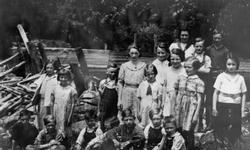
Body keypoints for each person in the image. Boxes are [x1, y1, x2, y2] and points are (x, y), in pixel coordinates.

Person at [212, 56, 247, 145]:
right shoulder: (221, 76)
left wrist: (242, 110)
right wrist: (214, 107)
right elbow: (215, 93)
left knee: (235, 125)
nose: (231, 67)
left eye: (233, 64)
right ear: (225, 65)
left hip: (235, 105)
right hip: (222, 104)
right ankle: (222, 143)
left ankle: (233, 143)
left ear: (237, 65)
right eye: (229, 64)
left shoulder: (240, 78)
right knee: (221, 124)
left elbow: (243, 94)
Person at [174, 57, 205, 149]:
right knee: (179, 129)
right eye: (185, 67)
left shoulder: (199, 82)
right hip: (180, 107)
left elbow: (200, 99)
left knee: (189, 131)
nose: (187, 69)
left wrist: (196, 115)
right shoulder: (181, 78)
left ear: (196, 68)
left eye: (189, 67)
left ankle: (189, 147)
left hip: (191, 108)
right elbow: (176, 92)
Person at [51, 68, 78, 148]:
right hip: (57, 111)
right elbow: (52, 102)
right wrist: (52, 114)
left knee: (67, 128)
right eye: (61, 77)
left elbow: (73, 104)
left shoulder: (71, 89)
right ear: (59, 77)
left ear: (69, 78)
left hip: (67, 112)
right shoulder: (55, 88)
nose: (63, 79)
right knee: (57, 127)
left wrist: (69, 116)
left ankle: (69, 145)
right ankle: (58, 144)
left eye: (65, 77)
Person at [118, 44, 146, 119]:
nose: (134, 56)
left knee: (137, 113)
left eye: (136, 53)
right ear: (129, 54)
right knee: (125, 112)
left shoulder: (143, 66)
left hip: (138, 92)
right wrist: (119, 100)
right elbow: (120, 83)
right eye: (132, 53)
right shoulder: (124, 66)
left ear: (139, 54)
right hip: (126, 91)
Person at [193, 39, 212, 130]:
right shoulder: (192, 57)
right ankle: (198, 124)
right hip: (194, 83)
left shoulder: (207, 58)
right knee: (197, 104)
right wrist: (201, 68)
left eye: (200, 46)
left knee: (207, 103)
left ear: (203, 47)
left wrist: (196, 69)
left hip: (206, 83)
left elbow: (208, 71)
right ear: (194, 47)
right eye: (197, 46)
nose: (199, 48)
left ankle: (207, 124)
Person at [32, 61, 58, 130]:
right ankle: (42, 132)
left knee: (51, 117)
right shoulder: (43, 77)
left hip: (52, 101)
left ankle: (52, 133)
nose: (49, 69)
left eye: (51, 68)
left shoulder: (56, 78)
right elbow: (35, 85)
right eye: (47, 68)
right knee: (42, 117)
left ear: (54, 68)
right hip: (42, 100)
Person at [162, 48, 186, 117]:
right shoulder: (167, 70)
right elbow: (164, 86)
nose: (175, 61)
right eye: (172, 59)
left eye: (177, 59)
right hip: (169, 98)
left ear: (181, 59)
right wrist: (163, 100)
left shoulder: (184, 70)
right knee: (168, 116)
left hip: (181, 98)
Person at [98, 63, 119, 130]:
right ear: (107, 72)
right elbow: (100, 98)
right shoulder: (103, 83)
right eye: (111, 72)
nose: (113, 74)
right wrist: (98, 110)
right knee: (102, 126)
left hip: (113, 110)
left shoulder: (118, 83)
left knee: (112, 126)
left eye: (115, 72)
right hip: (104, 109)